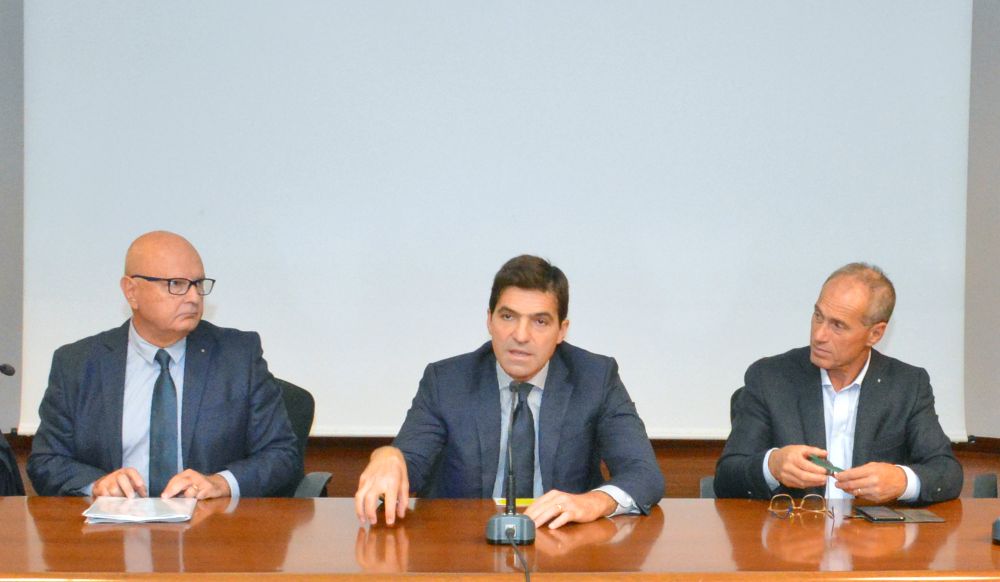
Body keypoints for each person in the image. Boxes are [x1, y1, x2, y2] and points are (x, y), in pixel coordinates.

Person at [355, 255, 664, 529]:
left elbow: (644, 473)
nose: (520, 335)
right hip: (463, 547)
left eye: (540, 321)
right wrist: (388, 456)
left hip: (564, 545)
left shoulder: (595, 378)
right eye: (508, 317)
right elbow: (408, 463)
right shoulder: (447, 382)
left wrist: (593, 502)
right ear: (489, 320)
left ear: (562, 330)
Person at [28, 231, 301, 499]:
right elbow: (46, 461)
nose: (194, 298)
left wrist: (220, 483)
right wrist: (97, 485)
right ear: (131, 291)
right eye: (176, 284)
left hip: (210, 523)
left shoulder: (238, 356)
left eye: (198, 284)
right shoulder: (77, 364)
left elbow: (282, 454)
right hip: (113, 524)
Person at [714, 263, 962, 503]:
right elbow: (726, 478)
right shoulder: (770, 378)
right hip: (793, 529)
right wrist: (772, 465)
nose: (819, 335)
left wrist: (902, 480)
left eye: (838, 325)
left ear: (875, 333)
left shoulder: (907, 385)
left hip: (871, 531)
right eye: (818, 316)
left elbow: (947, 472)